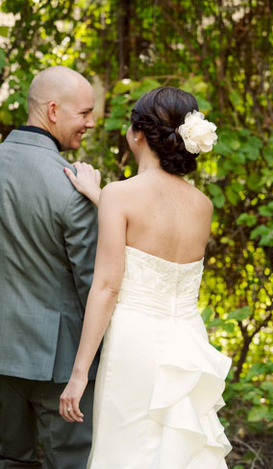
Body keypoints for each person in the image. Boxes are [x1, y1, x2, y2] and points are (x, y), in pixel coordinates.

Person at [59, 86, 231, 468]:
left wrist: (79, 374)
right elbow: (154, 232)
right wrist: (98, 194)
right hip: (186, 341)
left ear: (138, 133)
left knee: (127, 451)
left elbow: (106, 287)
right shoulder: (202, 206)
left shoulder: (122, 196)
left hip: (133, 346)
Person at [0, 66, 98, 468]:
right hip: (57, 360)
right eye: (85, 113)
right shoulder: (71, 185)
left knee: (9, 458)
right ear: (54, 111)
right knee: (69, 461)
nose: (90, 123)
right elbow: (92, 282)